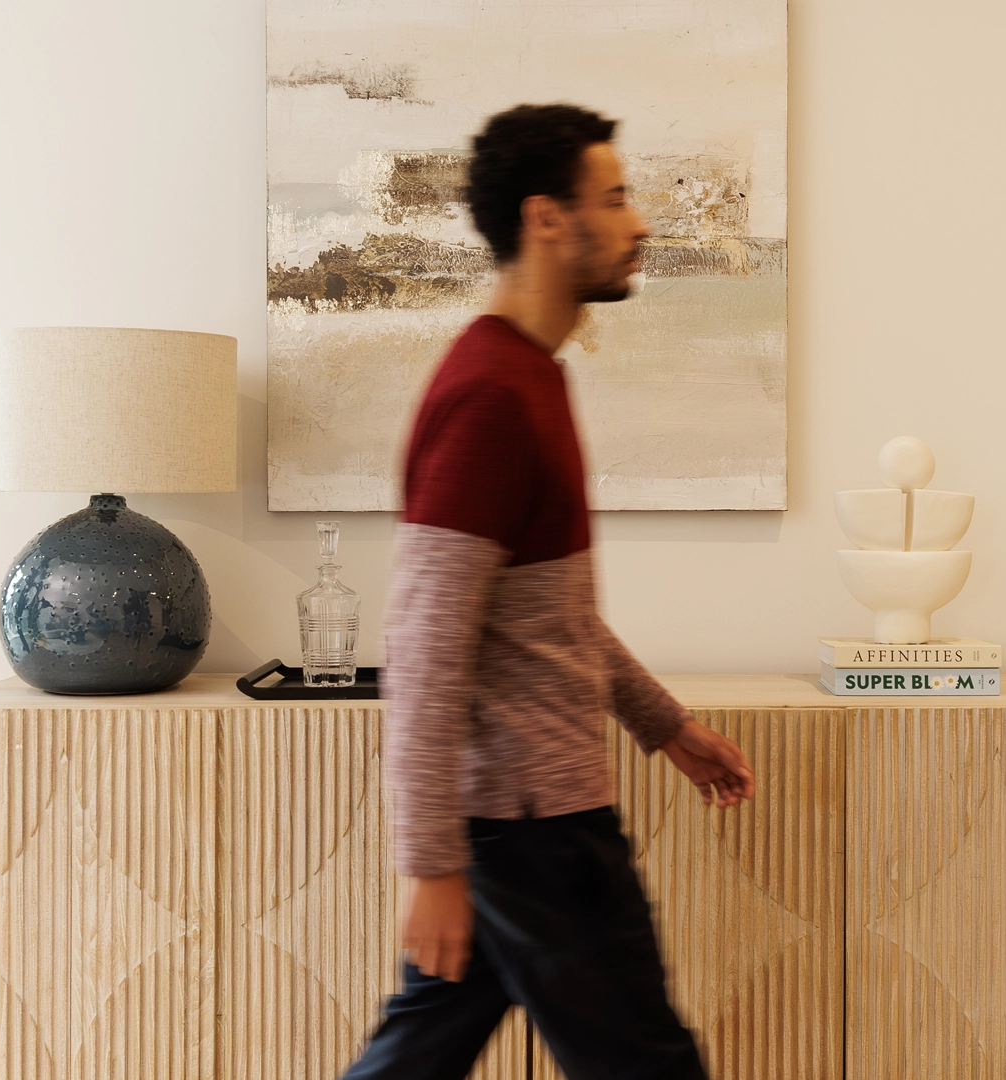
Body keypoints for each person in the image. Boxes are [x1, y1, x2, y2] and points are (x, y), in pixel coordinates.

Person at [340, 104, 757, 1080]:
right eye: (614, 198)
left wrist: (666, 728)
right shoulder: (493, 395)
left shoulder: (528, 378)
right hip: (534, 830)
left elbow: (547, 615)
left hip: (517, 821)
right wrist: (433, 865)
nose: (640, 222)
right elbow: (425, 645)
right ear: (547, 219)